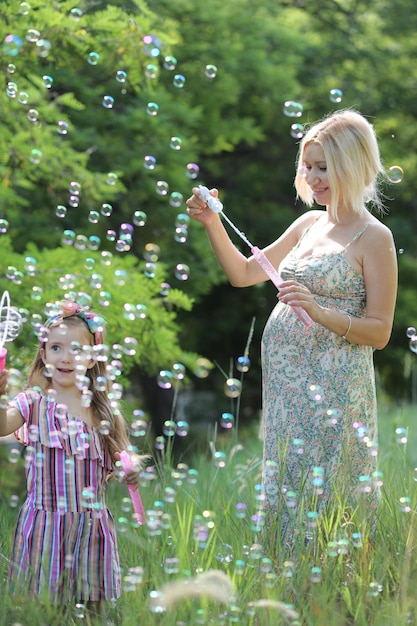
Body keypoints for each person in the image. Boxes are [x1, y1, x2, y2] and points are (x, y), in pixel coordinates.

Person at [186, 109, 398, 554]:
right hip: (287, 389)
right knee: (288, 478)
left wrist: (320, 313)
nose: (314, 177)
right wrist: (212, 225)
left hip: (335, 387)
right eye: (309, 166)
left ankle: (334, 585)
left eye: (325, 167)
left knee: (330, 484)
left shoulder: (374, 237)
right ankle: (289, 574)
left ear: (353, 167)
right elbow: (244, 274)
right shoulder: (308, 225)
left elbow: (379, 332)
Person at [0, 301, 141, 620]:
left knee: (91, 611)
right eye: (56, 347)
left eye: (77, 349)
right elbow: (2, 425)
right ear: (44, 353)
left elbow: (124, 461)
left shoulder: (103, 412)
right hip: (45, 524)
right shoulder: (33, 402)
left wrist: (132, 470)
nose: (65, 357)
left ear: (93, 358)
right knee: (44, 611)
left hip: (90, 526)